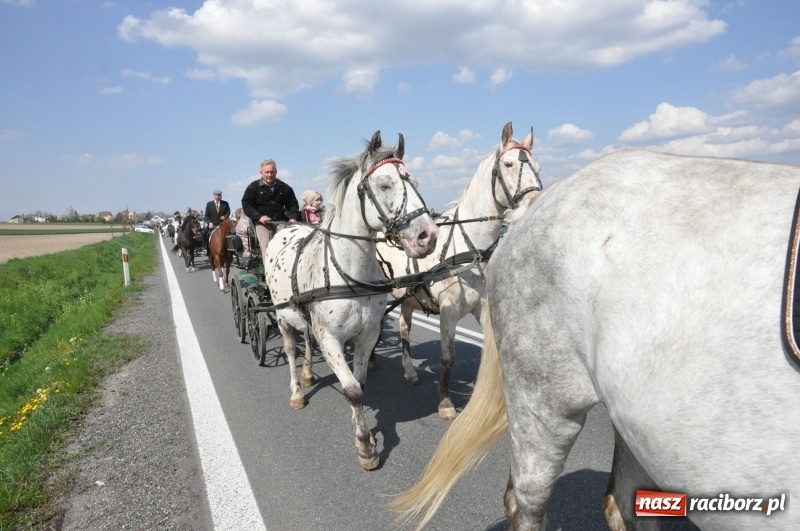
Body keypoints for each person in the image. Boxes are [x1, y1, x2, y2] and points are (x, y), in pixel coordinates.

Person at [241, 159, 300, 261]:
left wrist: (293, 217)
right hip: (262, 224)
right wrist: (259, 217)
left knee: (288, 244)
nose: (269, 175)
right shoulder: (253, 187)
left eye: (272, 172)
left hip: (281, 222)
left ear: (276, 172)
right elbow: (247, 205)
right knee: (266, 246)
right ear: (261, 173)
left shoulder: (285, 188)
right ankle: (269, 273)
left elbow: (293, 204)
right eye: (266, 172)